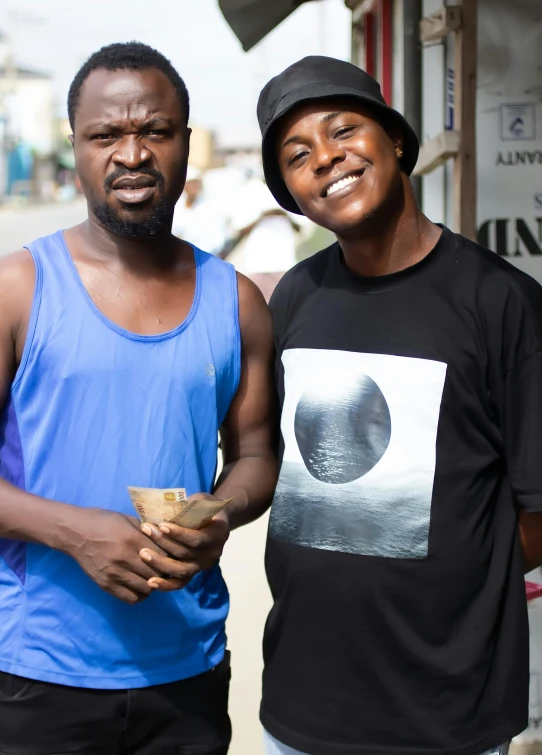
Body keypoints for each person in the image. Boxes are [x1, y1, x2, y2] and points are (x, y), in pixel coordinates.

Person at [256, 55, 542, 755]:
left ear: (398, 143)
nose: (326, 158)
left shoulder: (501, 302)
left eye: (343, 130)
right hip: (301, 700)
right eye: (298, 155)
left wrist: (460, 580)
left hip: (445, 713)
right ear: (292, 192)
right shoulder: (295, 296)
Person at [0, 42, 276, 755]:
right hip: (35, 673)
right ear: (76, 147)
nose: (133, 154)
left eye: (155, 131)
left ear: (186, 141)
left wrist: (221, 513)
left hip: (187, 670)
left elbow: (254, 455)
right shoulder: (19, 289)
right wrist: (75, 532)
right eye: (105, 135)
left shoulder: (235, 300)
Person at [172, 165, 230, 256]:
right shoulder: (176, 208)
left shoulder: (209, 207)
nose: (194, 187)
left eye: (196, 183)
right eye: (191, 184)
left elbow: (218, 238)